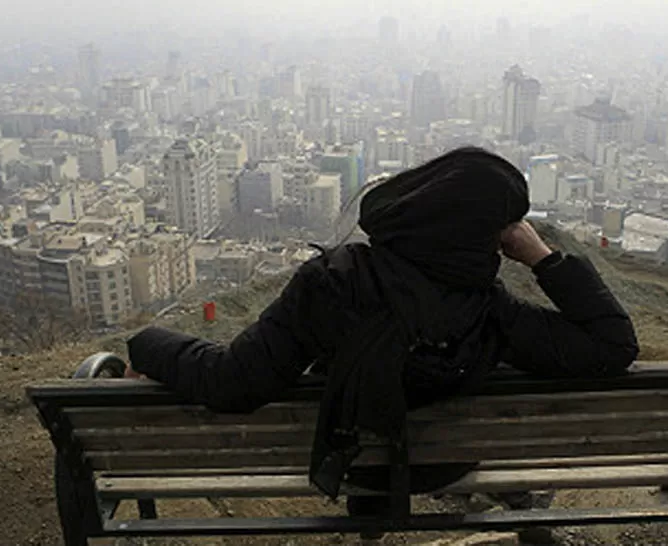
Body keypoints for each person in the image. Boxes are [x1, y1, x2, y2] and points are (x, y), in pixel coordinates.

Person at [125, 147, 638, 545]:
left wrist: (145, 345)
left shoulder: (334, 283)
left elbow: (232, 384)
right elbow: (612, 345)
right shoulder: (489, 310)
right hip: (447, 465)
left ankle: (369, 517)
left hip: (357, 468)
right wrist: (545, 259)